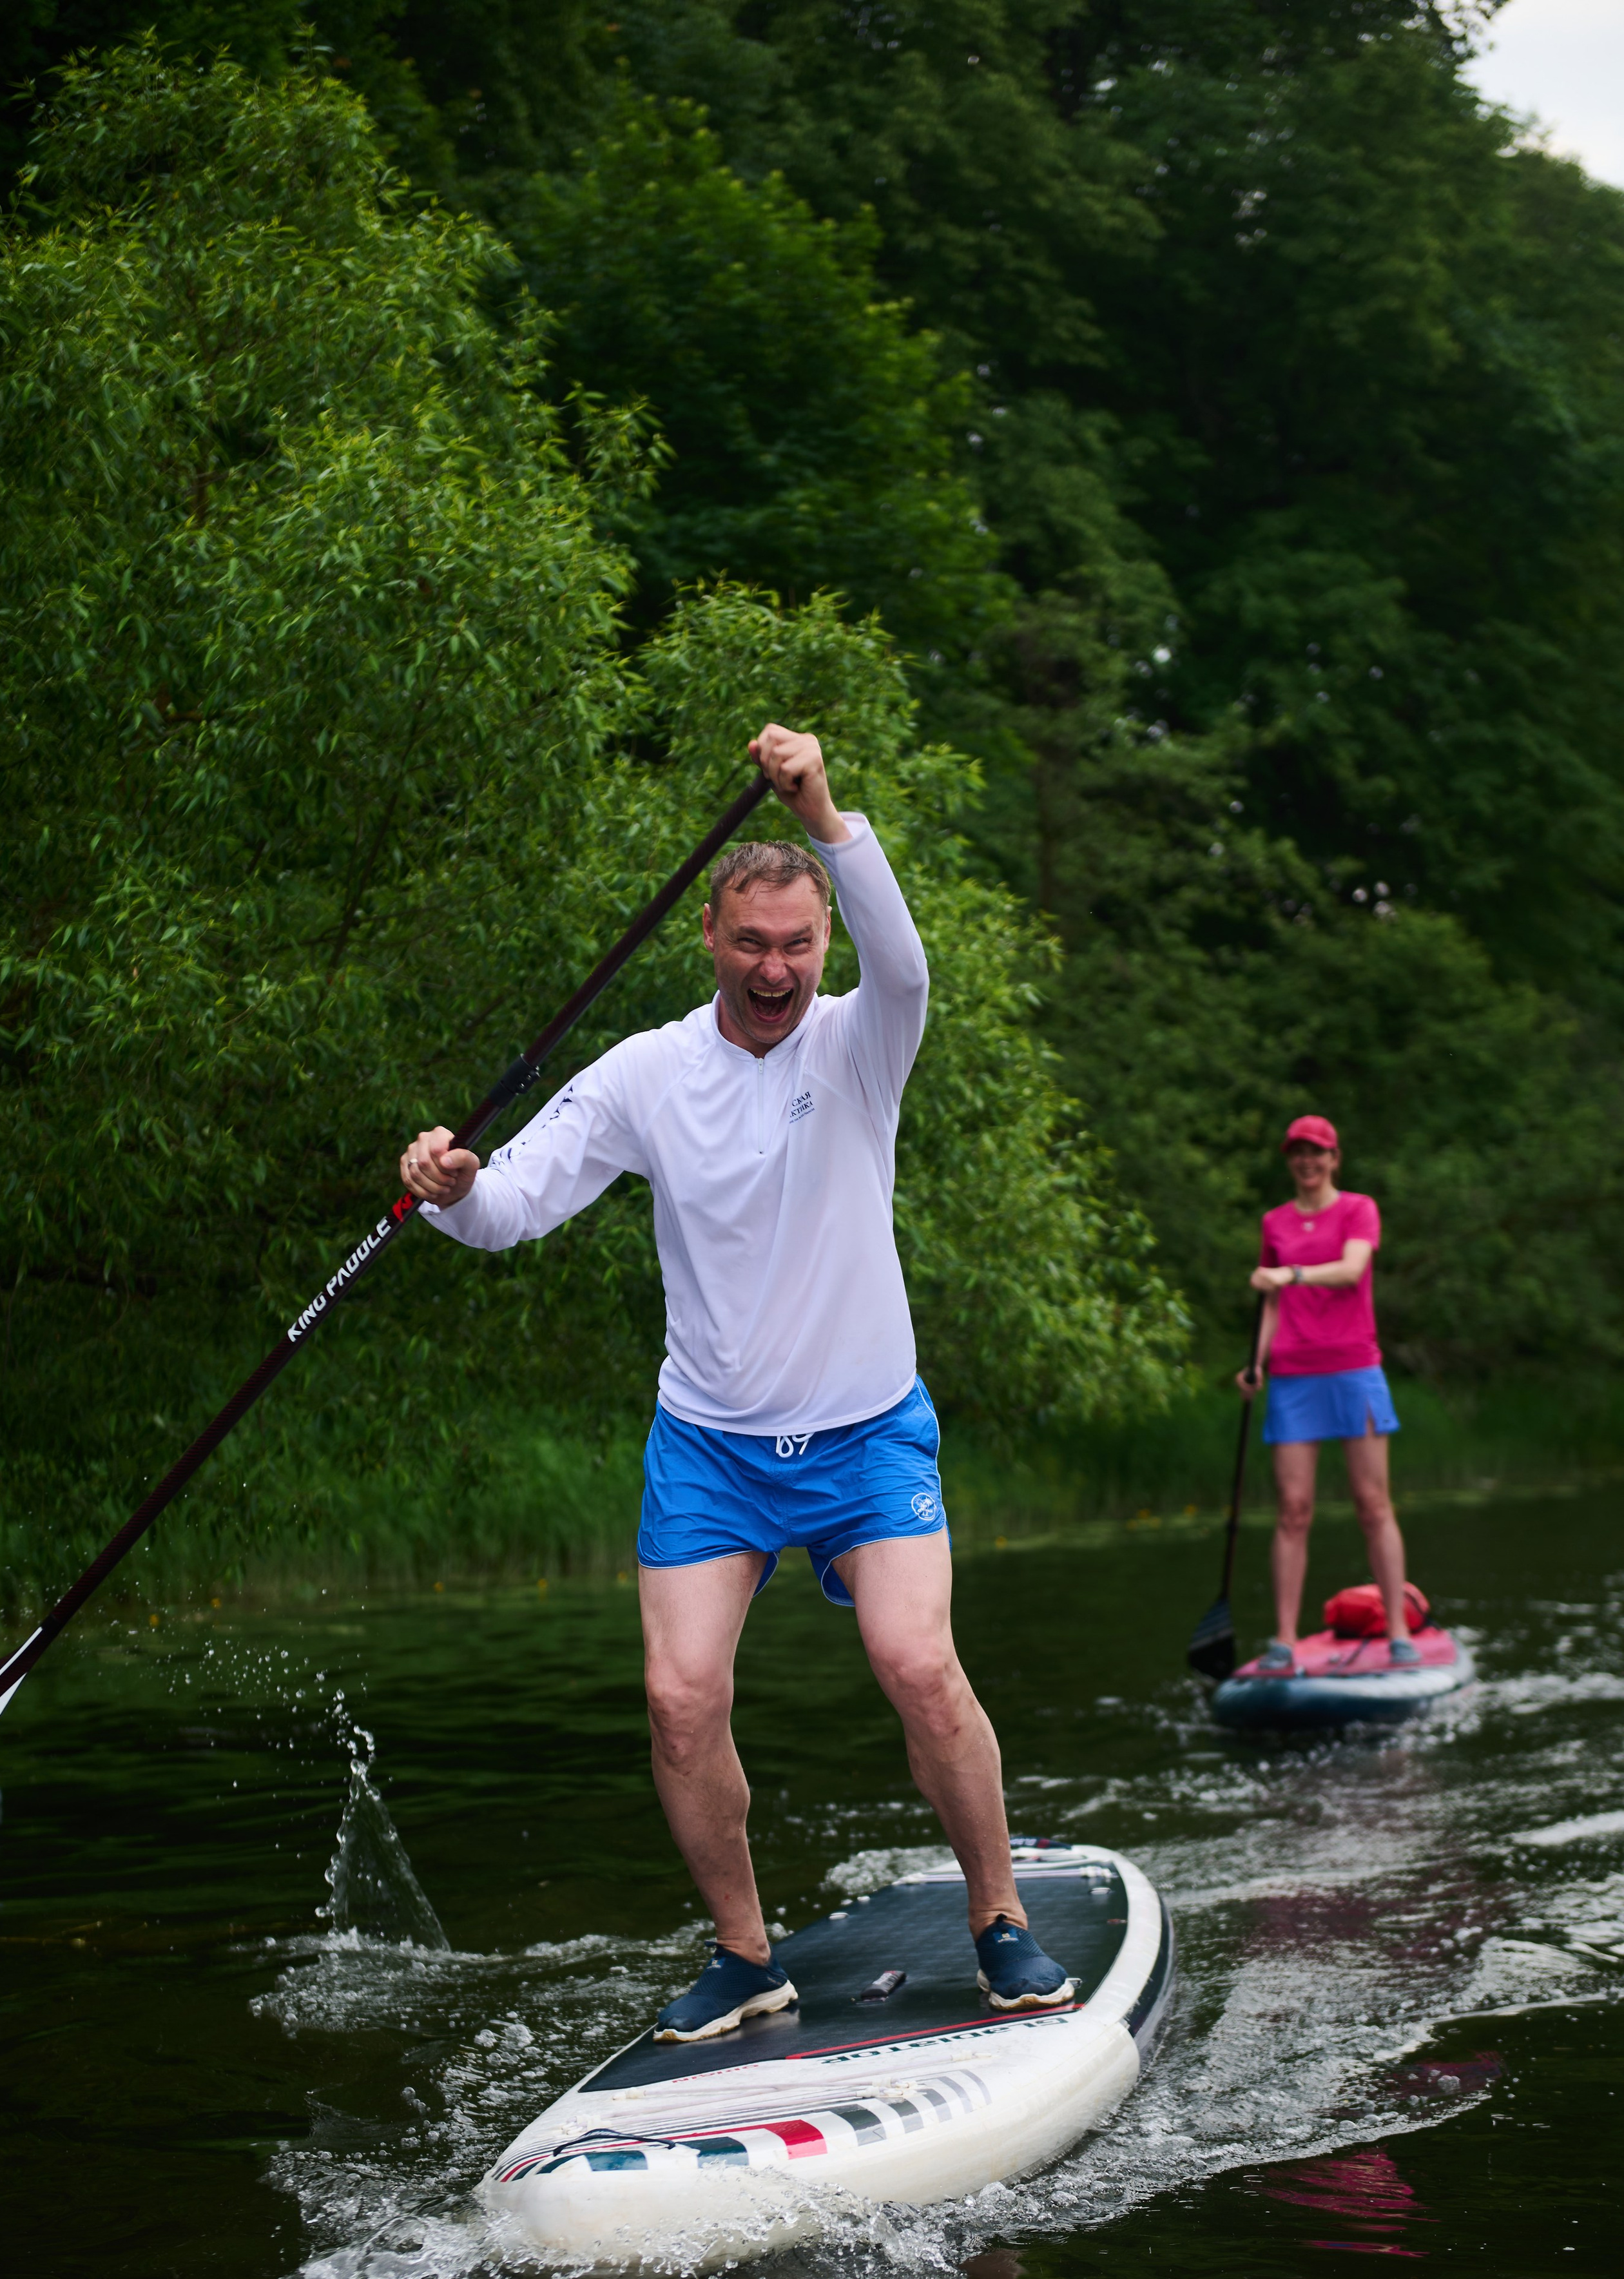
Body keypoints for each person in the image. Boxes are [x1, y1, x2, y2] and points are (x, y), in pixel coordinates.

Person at [399, 724, 1071, 2039]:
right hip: (709, 1446)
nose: (774, 967)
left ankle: (999, 1918)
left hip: (869, 1431)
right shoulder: (647, 1074)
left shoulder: (863, 1043)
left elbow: (909, 957)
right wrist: (451, 1189)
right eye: (750, 942)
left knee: (915, 1663)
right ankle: (745, 1952)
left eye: (797, 943)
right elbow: (512, 1208)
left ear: (822, 944)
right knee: (675, 1698)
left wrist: (823, 809)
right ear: (709, 938)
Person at [1237, 1114, 1417, 1671]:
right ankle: (1285, 1638)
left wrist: (1288, 1275)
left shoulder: (1358, 1209)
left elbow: (1351, 1271)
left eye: (1317, 1152)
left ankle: (1396, 1631)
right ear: (1290, 1160)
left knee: (1373, 1503)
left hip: (1354, 1369)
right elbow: (1269, 1303)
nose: (1307, 1161)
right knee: (1293, 1510)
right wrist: (1256, 1363)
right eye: (1298, 1152)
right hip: (1294, 1376)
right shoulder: (1276, 1221)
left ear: (1334, 1158)